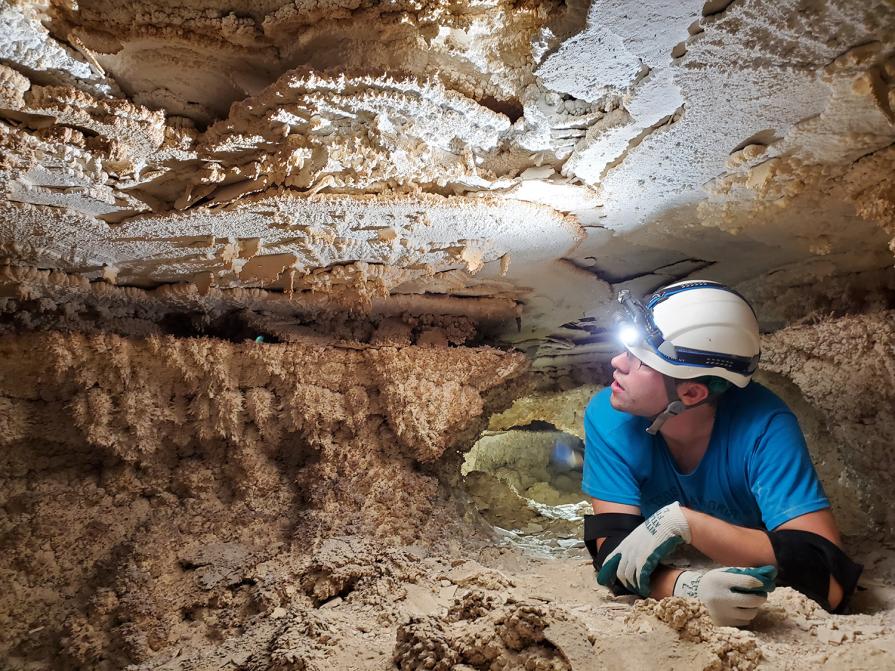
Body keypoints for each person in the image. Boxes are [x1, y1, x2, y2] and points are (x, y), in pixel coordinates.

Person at [582, 280, 862, 627]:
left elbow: (831, 581)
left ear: (692, 392)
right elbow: (614, 556)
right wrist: (686, 588)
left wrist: (686, 523)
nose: (617, 363)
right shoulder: (610, 418)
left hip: (752, 542)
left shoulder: (764, 426)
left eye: (640, 360)